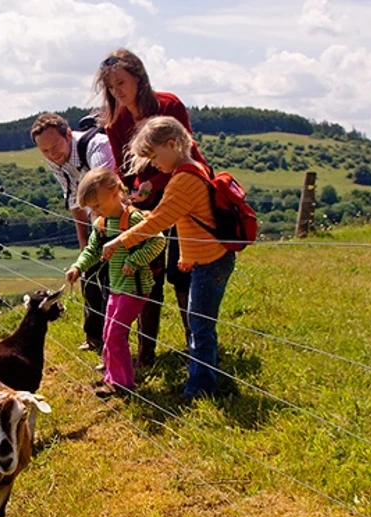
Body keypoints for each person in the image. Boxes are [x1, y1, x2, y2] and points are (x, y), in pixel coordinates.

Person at [103, 116, 234, 401]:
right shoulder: (190, 170)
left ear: (173, 144)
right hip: (206, 260)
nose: (152, 164)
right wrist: (187, 257)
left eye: (153, 156)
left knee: (199, 325)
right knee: (199, 322)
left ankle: (200, 388)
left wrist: (120, 239)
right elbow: (184, 219)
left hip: (210, 263)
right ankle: (205, 377)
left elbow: (160, 222)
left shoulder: (184, 179)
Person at [93, 48, 206, 366]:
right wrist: (128, 194)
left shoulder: (169, 105)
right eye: (111, 86)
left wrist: (151, 186)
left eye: (121, 82)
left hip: (183, 196)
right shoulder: (116, 122)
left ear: (139, 78)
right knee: (146, 272)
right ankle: (146, 354)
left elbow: (185, 152)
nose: (117, 91)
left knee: (182, 271)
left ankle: (195, 347)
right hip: (145, 205)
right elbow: (123, 168)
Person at [64, 167, 166, 397]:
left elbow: (158, 241)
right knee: (108, 332)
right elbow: (92, 249)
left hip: (135, 287)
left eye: (98, 205)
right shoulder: (102, 223)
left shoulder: (133, 218)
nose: (95, 211)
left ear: (113, 192)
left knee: (115, 334)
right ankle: (111, 377)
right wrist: (78, 266)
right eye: (92, 208)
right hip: (116, 287)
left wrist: (135, 259)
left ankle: (123, 384)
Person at [31, 112, 116, 352]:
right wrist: (84, 246)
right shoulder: (53, 158)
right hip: (94, 216)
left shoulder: (96, 148)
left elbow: (104, 192)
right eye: (45, 151)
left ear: (68, 134)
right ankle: (93, 337)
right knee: (89, 272)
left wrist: (98, 241)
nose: (52, 154)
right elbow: (74, 198)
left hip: (119, 215)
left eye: (55, 145)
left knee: (112, 280)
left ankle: (115, 342)